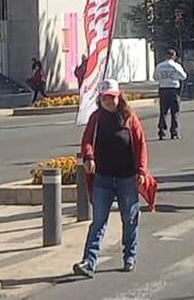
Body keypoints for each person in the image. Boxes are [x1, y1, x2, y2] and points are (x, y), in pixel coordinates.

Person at [73, 79, 148, 278]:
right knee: (98, 221)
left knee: (129, 219)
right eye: (105, 98)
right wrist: (89, 157)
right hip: (103, 178)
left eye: (112, 97)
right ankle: (89, 261)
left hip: (127, 178)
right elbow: (87, 140)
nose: (108, 101)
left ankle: (129, 256)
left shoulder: (129, 118)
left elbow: (140, 144)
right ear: (100, 99)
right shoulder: (96, 118)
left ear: (119, 97)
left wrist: (141, 171)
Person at [154, 49, 187, 141]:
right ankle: (174, 132)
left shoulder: (159, 66)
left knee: (163, 112)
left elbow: (155, 77)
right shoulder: (176, 66)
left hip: (163, 90)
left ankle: (161, 131)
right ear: (173, 56)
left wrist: (163, 78)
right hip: (173, 90)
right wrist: (174, 77)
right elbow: (184, 76)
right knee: (175, 112)